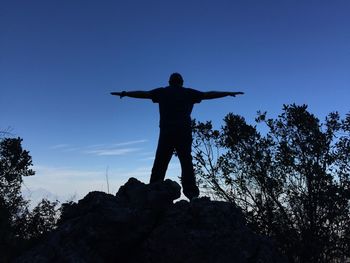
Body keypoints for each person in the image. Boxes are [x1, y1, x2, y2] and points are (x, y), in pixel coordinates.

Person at [111, 73, 244, 200]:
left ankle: (154, 188)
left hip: (166, 133)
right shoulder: (188, 93)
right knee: (186, 162)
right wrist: (226, 93)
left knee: (161, 161)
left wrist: (126, 93)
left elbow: (143, 94)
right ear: (181, 82)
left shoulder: (162, 92)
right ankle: (191, 194)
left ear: (169, 82)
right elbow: (208, 95)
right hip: (183, 132)